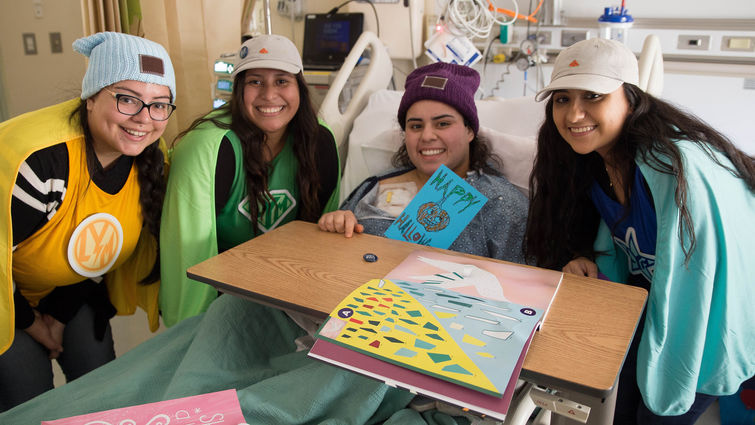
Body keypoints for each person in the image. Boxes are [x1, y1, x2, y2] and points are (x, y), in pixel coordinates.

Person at [525, 38, 755, 424]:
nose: (573, 113)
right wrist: (580, 255)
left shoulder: (676, 169)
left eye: (593, 95)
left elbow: (697, 285)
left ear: (632, 98)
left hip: (707, 318)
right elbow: (605, 235)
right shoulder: (591, 162)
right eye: (562, 99)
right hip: (648, 305)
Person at [0, 32, 175, 411]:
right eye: (128, 99)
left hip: (68, 287)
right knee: (29, 401)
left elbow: (97, 252)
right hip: (4, 293)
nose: (144, 119)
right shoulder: (41, 164)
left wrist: (59, 316)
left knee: (102, 391)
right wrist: (35, 325)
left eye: (160, 105)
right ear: (91, 97)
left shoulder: (149, 158)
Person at [159, 34, 340, 326]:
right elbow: (187, 252)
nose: (269, 95)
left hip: (290, 294)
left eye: (282, 81)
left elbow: (322, 238)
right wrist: (189, 335)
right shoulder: (207, 148)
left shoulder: (318, 142)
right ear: (239, 90)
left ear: (299, 89)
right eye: (255, 81)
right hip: (222, 296)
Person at [318, 62, 528, 264]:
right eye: (416, 126)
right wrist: (336, 221)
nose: (427, 136)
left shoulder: (500, 203)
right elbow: (330, 254)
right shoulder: (374, 186)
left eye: (443, 123)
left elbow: (526, 287)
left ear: (470, 130)